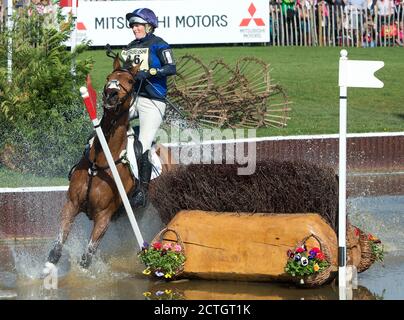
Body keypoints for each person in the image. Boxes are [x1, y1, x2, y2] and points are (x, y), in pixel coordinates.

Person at [122, 8, 176, 208]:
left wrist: (151, 71)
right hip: (133, 99)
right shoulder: (129, 47)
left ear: (149, 26)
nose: (134, 28)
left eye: (138, 25)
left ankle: (142, 192)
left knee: (143, 145)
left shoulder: (160, 44)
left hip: (153, 101)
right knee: (109, 126)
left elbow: (171, 68)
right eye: (133, 25)